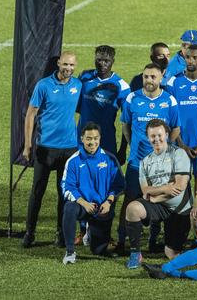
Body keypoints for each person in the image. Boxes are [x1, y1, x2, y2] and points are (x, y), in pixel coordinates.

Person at [117, 63, 181, 254]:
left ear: (161, 77)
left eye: (153, 77)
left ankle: (154, 240)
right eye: (146, 77)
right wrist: (133, 145)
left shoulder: (169, 101)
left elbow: (176, 128)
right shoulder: (132, 98)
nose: (149, 81)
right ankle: (122, 239)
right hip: (137, 163)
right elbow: (125, 125)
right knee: (130, 199)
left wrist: (163, 149)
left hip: (160, 165)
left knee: (160, 200)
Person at [21, 51, 82, 248]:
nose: (68, 69)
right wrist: (28, 145)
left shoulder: (77, 85)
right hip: (46, 148)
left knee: (63, 193)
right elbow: (30, 114)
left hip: (69, 149)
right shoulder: (44, 85)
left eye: (72, 65)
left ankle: (60, 234)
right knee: (37, 192)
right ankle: (30, 233)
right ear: (58, 64)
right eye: (65, 64)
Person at [125, 119, 193, 269]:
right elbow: (145, 191)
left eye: (160, 135)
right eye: (152, 136)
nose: (156, 139)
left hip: (178, 210)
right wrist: (166, 188)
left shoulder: (179, 154)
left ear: (167, 135)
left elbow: (180, 186)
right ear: (148, 138)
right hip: (159, 206)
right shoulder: (145, 161)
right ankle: (136, 254)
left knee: (171, 253)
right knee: (132, 209)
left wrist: (156, 197)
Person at [60, 123, 125, 264]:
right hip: (83, 206)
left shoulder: (110, 159)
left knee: (98, 251)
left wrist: (108, 202)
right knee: (69, 208)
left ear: (100, 138)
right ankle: (70, 252)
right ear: (82, 139)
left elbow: (120, 184)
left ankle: (91, 233)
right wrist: (83, 202)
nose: (92, 142)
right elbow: (66, 187)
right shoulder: (73, 161)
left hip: (102, 208)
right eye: (88, 139)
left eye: (96, 138)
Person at [78, 45, 130, 157]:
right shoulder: (84, 77)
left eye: (106, 61)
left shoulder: (122, 87)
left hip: (106, 142)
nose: (102, 64)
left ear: (113, 61)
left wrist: (123, 149)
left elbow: (127, 120)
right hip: (81, 141)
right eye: (99, 60)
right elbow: (77, 106)